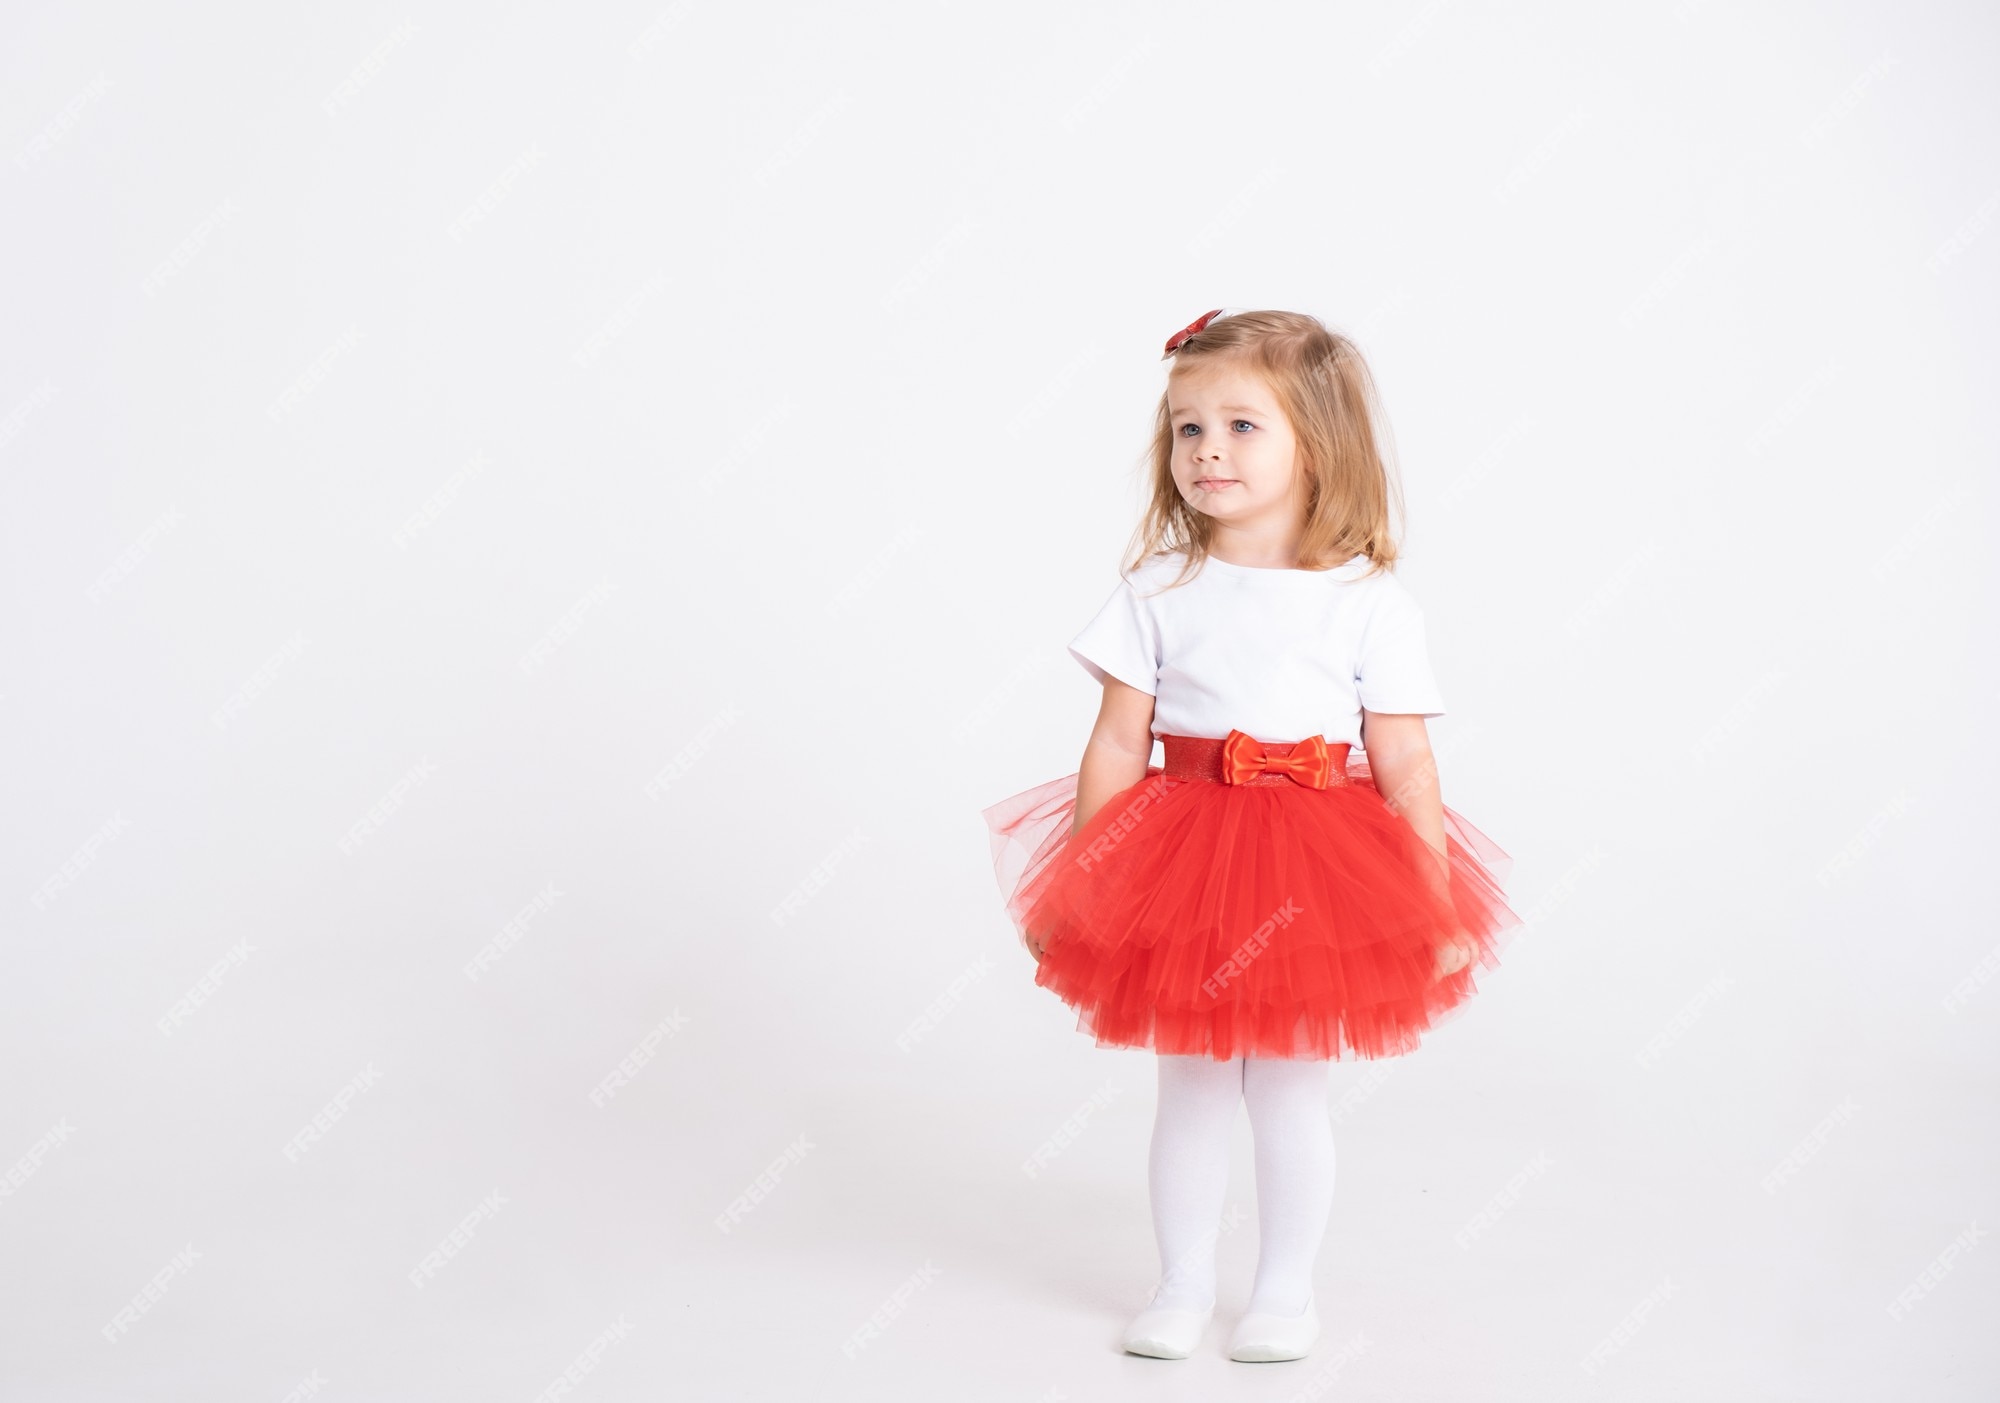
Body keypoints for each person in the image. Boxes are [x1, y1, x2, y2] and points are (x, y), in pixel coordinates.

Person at [980, 307, 1523, 1363]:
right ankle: (1181, 1282)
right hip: (1179, 856)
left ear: (1316, 443)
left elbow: (1404, 760)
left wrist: (1431, 896)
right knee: (1186, 1079)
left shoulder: (1368, 602)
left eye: (1239, 425)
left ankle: (1282, 1291)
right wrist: (1080, 883)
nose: (1207, 450)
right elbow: (1113, 745)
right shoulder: (1156, 588)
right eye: (1187, 429)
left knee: (1286, 1082)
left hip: (1316, 866)